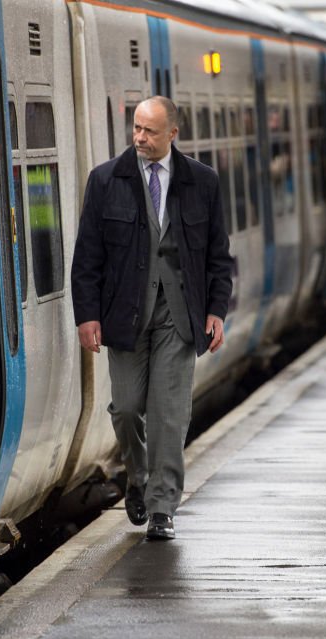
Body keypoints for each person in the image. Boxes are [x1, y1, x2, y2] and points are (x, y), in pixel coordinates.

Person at [71, 96, 233, 541]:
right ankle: (138, 476)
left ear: (172, 135)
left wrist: (217, 310)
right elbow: (87, 257)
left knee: (169, 415)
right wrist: (87, 315)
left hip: (179, 317)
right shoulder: (106, 180)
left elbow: (219, 256)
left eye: (150, 131)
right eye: (137, 128)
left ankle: (163, 506)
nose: (140, 137)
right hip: (124, 315)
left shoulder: (203, 182)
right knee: (125, 409)